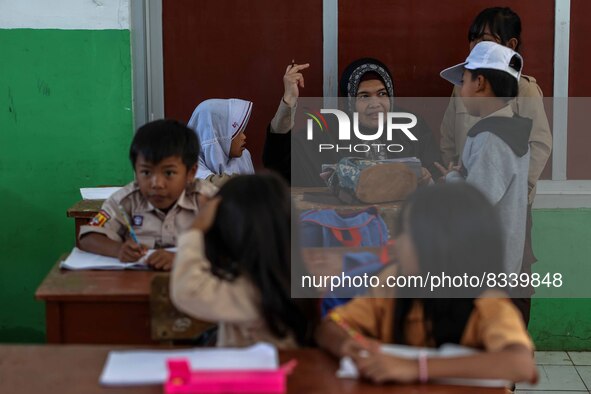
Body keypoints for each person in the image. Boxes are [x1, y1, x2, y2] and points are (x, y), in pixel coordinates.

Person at [315, 183, 538, 385]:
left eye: (407, 234)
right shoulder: (393, 280)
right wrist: (345, 345)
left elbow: (520, 365)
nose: (396, 243)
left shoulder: (487, 301)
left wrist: (415, 368)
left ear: (443, 244)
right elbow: (330, 325)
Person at [440, 7, 551, 324]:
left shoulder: (520, 98)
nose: (474, 45)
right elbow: (449, 137)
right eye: (472, 39)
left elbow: (540, 145)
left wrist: (514, 193)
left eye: (484, 39)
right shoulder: (491, 119)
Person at [170, 173, 317, 348]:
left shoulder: (251, 292)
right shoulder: (285, 278)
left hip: (257, 373)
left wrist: (196, 229)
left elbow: (187, 291)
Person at [263, 59, 440, 186]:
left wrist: (428, 177)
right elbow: (280, 162)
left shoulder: (412, 127)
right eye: (363, 96)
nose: (375, 104)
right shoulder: (327, 132)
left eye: (382, 94)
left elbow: (436, 171)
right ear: (349, 102)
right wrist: (289, 102)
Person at [79, 119, 217, 271]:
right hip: (134, 285)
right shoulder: (126, 200)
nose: (156, 183)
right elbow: (88, 237)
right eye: (146, 172)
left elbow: (237, 243)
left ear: (191, 172)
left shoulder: (208, 198)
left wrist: (185, 257)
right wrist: (118, 250)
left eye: (169, 173)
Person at [188, 98, 255, 187]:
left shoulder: (243, 157)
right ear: (216, 133)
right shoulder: (188, 165)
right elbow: (211, 187)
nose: (244, 137)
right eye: (236, 131)